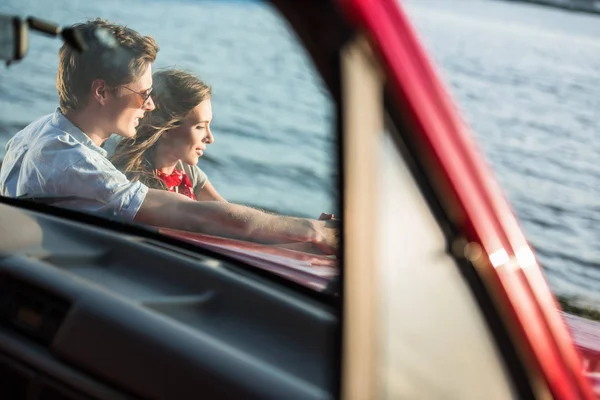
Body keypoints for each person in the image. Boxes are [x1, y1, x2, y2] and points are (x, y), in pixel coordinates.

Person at [0, 19, 338, 254]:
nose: (149, 105)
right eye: (142, 94)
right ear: (101, 92)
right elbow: (198, 215)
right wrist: (311, 231)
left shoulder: (37, 133)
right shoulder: (74, 162)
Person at [111, 69, 225, 202]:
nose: (210, 138)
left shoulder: (184, 169)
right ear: (166, 128)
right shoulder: (131, 181)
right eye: (199, 127)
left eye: (208, 125)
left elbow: (227, 213)